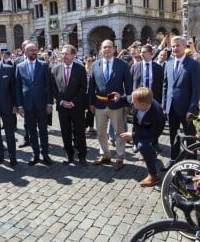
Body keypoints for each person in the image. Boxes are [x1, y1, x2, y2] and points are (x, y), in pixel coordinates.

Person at [88, 39, 132, 171]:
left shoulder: (122, 65)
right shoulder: (95, 65)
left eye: (109, 47)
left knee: (120, 133)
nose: (106, 49)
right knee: (101, 132)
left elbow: (128, 86)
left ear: (114, 49)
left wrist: (126, 103)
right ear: (101, 50)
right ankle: (105, 155)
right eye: (104, 47)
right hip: (99, 104)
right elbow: (91, 86)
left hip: (116, 104)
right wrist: (90, 102)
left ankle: (120, 158)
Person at [161, 36, 200, 171]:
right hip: (171, 107)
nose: (175, 48)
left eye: (178, 45)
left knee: (190, 136)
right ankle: (173, 158)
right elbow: (165, 86)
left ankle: (192, 162)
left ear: (184, 46)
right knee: (173, 135)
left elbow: (196, 89)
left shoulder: (193, 64)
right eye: (173, 46)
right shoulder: (168, 63)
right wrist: (164, 105)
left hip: (186, 109)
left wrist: (191, 108)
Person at [15, 42, 53, 166]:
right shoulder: (19, 66)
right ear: (25, 52)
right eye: (30, 50)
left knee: (43, 131)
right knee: (31, 131)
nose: (33, 52)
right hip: (27, 106)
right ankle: (35, 154)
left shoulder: (43, 65)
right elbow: (18, 88)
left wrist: (49, 104)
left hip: (42, 105)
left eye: (35, 50)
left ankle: (45, 154)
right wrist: (19, 106)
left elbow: (48, 86)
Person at [120, 88, 165, 187]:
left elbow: (153, 132)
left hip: (152, 131)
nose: (131, 103)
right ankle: (152, 154)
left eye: (134, 102)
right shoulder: (137, 99)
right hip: (140, 126)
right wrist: (119, 97)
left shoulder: (158, 114)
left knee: (142, 146)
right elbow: (128, 98)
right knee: (143, 147)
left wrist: (132, 135)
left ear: (143, 104)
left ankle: (153, 176)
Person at [52, 44, 88, 166]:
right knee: (65, 132)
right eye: (62, 53)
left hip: (77, 107)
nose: (64, 56)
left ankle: (82, 156)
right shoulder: (55, 69)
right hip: (62, 108)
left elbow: (83, 88)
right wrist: (61, 101)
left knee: (79, 133)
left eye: (66, 54)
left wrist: (73, 102)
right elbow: (54, 89)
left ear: (73, 55)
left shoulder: (80, 69)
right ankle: (69, 155)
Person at [14, 40, 31, 147]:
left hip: (37, 97)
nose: (27, 48)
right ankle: (27, 139)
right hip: (24, 97)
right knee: (26, 121)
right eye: (25, 46)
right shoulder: (17, 61)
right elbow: (16, 81)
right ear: (22, 48)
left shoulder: (40, 59)